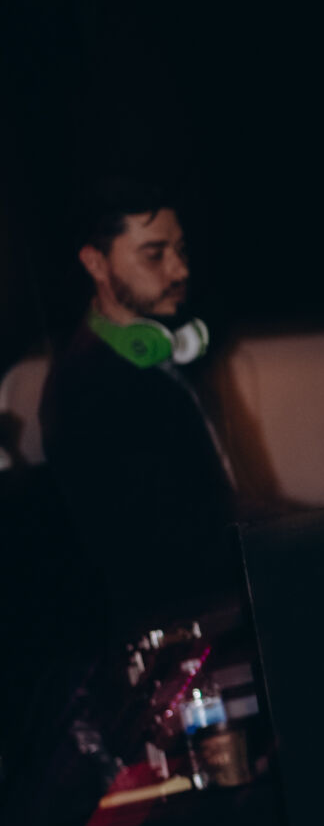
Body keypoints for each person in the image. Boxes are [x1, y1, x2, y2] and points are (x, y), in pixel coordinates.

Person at [38, 182, 235, 626]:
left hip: (218, 592)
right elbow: (165, 552)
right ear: (95, 263)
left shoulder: (159, 356)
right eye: (154, 254)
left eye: (180, 250)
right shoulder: (88, 388)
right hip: (188, 617)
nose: (180, 269)